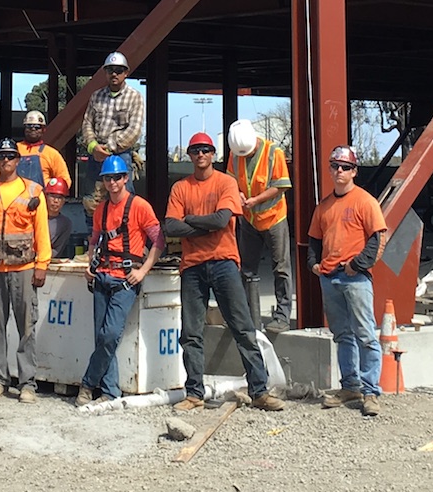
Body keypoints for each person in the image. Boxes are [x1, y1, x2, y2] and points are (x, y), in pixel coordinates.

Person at [164, 132, 283, 412]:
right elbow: (170, 226)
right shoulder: (181, 188)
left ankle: (259, 391)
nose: (200, 155)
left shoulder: (226, 182)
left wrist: (190, 221)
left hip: (224, 262)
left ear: (213, 154)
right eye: (195, 150)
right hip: (192, 266)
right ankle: (194, 393)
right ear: (190, 155)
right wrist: (203, 224)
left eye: (205, 150)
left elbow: (221, 221)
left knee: (243, 328)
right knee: (191, 333)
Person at [0, 137, 50, 403]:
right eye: (1, 156)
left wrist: (42, 264)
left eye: (10, 156)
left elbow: (42, 232)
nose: (5, 161)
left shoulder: (33, 191)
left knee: (26, 326)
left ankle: (27, 383)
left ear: (17, 160)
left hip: (24, 267)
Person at [310, 144, 389, 417]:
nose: (339, 171)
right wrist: (314, 264)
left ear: (354, 172)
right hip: (330, 277)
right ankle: (350, 386)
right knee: (342, 334)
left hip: (355, 278)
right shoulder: (324, 206)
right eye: (335, 166)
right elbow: (314, 240)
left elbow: (377, 239)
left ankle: (370, 392)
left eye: (345, 167)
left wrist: (357, 265)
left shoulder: (366, 202)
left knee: (366, 334)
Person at [78, 154, 163, 404]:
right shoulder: (101, 209)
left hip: (126, 279)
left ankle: (88, 383)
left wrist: (144, 270)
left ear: (126, 178)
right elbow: (94, 239)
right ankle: (109, 391)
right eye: (108, 178)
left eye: (117, 177)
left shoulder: (140, 206)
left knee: (109, 334)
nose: (112, 182)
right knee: (102, 336)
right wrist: (90, 263)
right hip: (103, 274)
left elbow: (158, 239)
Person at [226, 119, 294, 332]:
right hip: (249, 219)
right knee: (247, 268)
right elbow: (231, 181)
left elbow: (280, 186)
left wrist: (256, 200)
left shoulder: (274, 153)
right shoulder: (235, 153)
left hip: (274, 217)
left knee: (280, 267)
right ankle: (247, 314)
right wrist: (237, 194)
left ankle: (282, 316)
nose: (243, 157)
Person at [78, 52, 143, 173]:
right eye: (110, 70)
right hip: (96, 155)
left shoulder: (135, 97)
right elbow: (87, 123)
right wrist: (93, 146)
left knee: (123, 192)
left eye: (118, 70)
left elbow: (134, 130)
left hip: (121, 155)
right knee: (91, 192)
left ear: (126, 73)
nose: (114, 74)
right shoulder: (96, 96)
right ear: (105, 73)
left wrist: (108, 148)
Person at [15, 110, 71, 192]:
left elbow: (65, 181)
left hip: (42, 201)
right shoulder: (14, 149)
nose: (33, 129)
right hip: (16, 199)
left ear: (43, 129)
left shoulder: (52, 154)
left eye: (37, 127)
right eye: (29, 126)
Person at [44, 176, 77, 259]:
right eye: (52, 196)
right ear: (46, 197)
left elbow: (57, 250)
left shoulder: (65, 223)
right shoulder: (35, 216)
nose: (56, 201)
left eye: (60, 197)